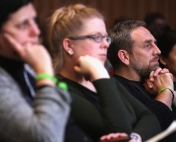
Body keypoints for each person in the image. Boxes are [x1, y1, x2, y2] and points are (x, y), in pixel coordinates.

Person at [47, 4, 161, 141]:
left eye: (106, 38)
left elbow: (149, 117)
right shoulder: (59, 91)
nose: (106, 44)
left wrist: (135, 138)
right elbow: (119, 129)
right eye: (97, 37)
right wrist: (99, 74)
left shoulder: (107, 81)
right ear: (69, 45)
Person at [107, 20, 176, 133]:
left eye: (155, 44)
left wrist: (172, 93)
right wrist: (166, 92)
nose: (158, 51)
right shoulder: (115, 90)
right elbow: (147, 127)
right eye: (148, 46)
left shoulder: (157, 80)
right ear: (124, 56)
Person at [0, 0, 71, 142]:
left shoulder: (26, 67)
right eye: (23, 24)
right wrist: (44, 71)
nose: (36, 31)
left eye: (34, 20)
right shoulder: (35, 67)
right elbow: (47, 137)